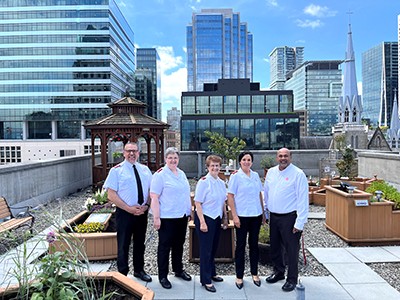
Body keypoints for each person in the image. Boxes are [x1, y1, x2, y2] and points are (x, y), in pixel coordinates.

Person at [103, 142, 152, 282]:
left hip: (142, 213)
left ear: (138, 153)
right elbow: (111, 195)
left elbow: (150, 190)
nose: (132, 153)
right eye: (129, 151)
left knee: (139, 243)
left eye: (134, 151)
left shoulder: (145, 170)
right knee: (123, 243)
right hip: (125, 213)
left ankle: (139, 270)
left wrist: (146, 205)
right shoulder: (117, 171)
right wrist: (129, 209)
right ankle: (122, 273)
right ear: (123, 153)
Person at [263, 148, 309, 292]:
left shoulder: (298, 174)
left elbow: (303, 199)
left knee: (291, 250)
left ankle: (292, 279)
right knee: (275, 247)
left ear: (291, 157)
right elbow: (267, 193)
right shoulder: (271, 172)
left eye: (286, 156)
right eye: (280, 156)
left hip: (290, 217)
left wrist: (300, 222)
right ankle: (279, 272)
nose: (283, 158)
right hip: (274, 216)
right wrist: (265, 212)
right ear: (277, 157)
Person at [150, 147, 192, 289]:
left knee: (179, 244)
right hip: (167, 217)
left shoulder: (181, 173)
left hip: (181, 216)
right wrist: (156, 218)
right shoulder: (160, 175)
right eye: (170, 158)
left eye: (175, 158)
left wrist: (189, 211)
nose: (173, 160)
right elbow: (154, 197)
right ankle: (163, 276)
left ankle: (178, 269)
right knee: (164, 246)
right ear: (165, 159)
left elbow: (186, 194)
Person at [227, 151, 264, 290]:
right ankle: (239, 276)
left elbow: (259, 195)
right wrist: (234, 216)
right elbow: (230, 197)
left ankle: (254, 273)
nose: (246, 162)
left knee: (254, 245)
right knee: (241, 246)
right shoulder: (235, 177)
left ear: (252, 162)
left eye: (249, 160)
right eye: (244, 159)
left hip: (256, 215)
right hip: (241, 216)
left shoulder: (255, 176)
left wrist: (263, 213)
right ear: (240, 161)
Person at [194, 155, 228, 293]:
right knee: (206, 251)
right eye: (212, 165)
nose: (215, 168)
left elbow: (223, 202)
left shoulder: (221, 182)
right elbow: (198, 203)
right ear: (207, 167)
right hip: (205, 218)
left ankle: (212, 273)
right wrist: (202, 222)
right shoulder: (203, 182)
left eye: (217, 165)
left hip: (216, 218)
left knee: (214, 248)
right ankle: (206, 280)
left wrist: (225, 218)